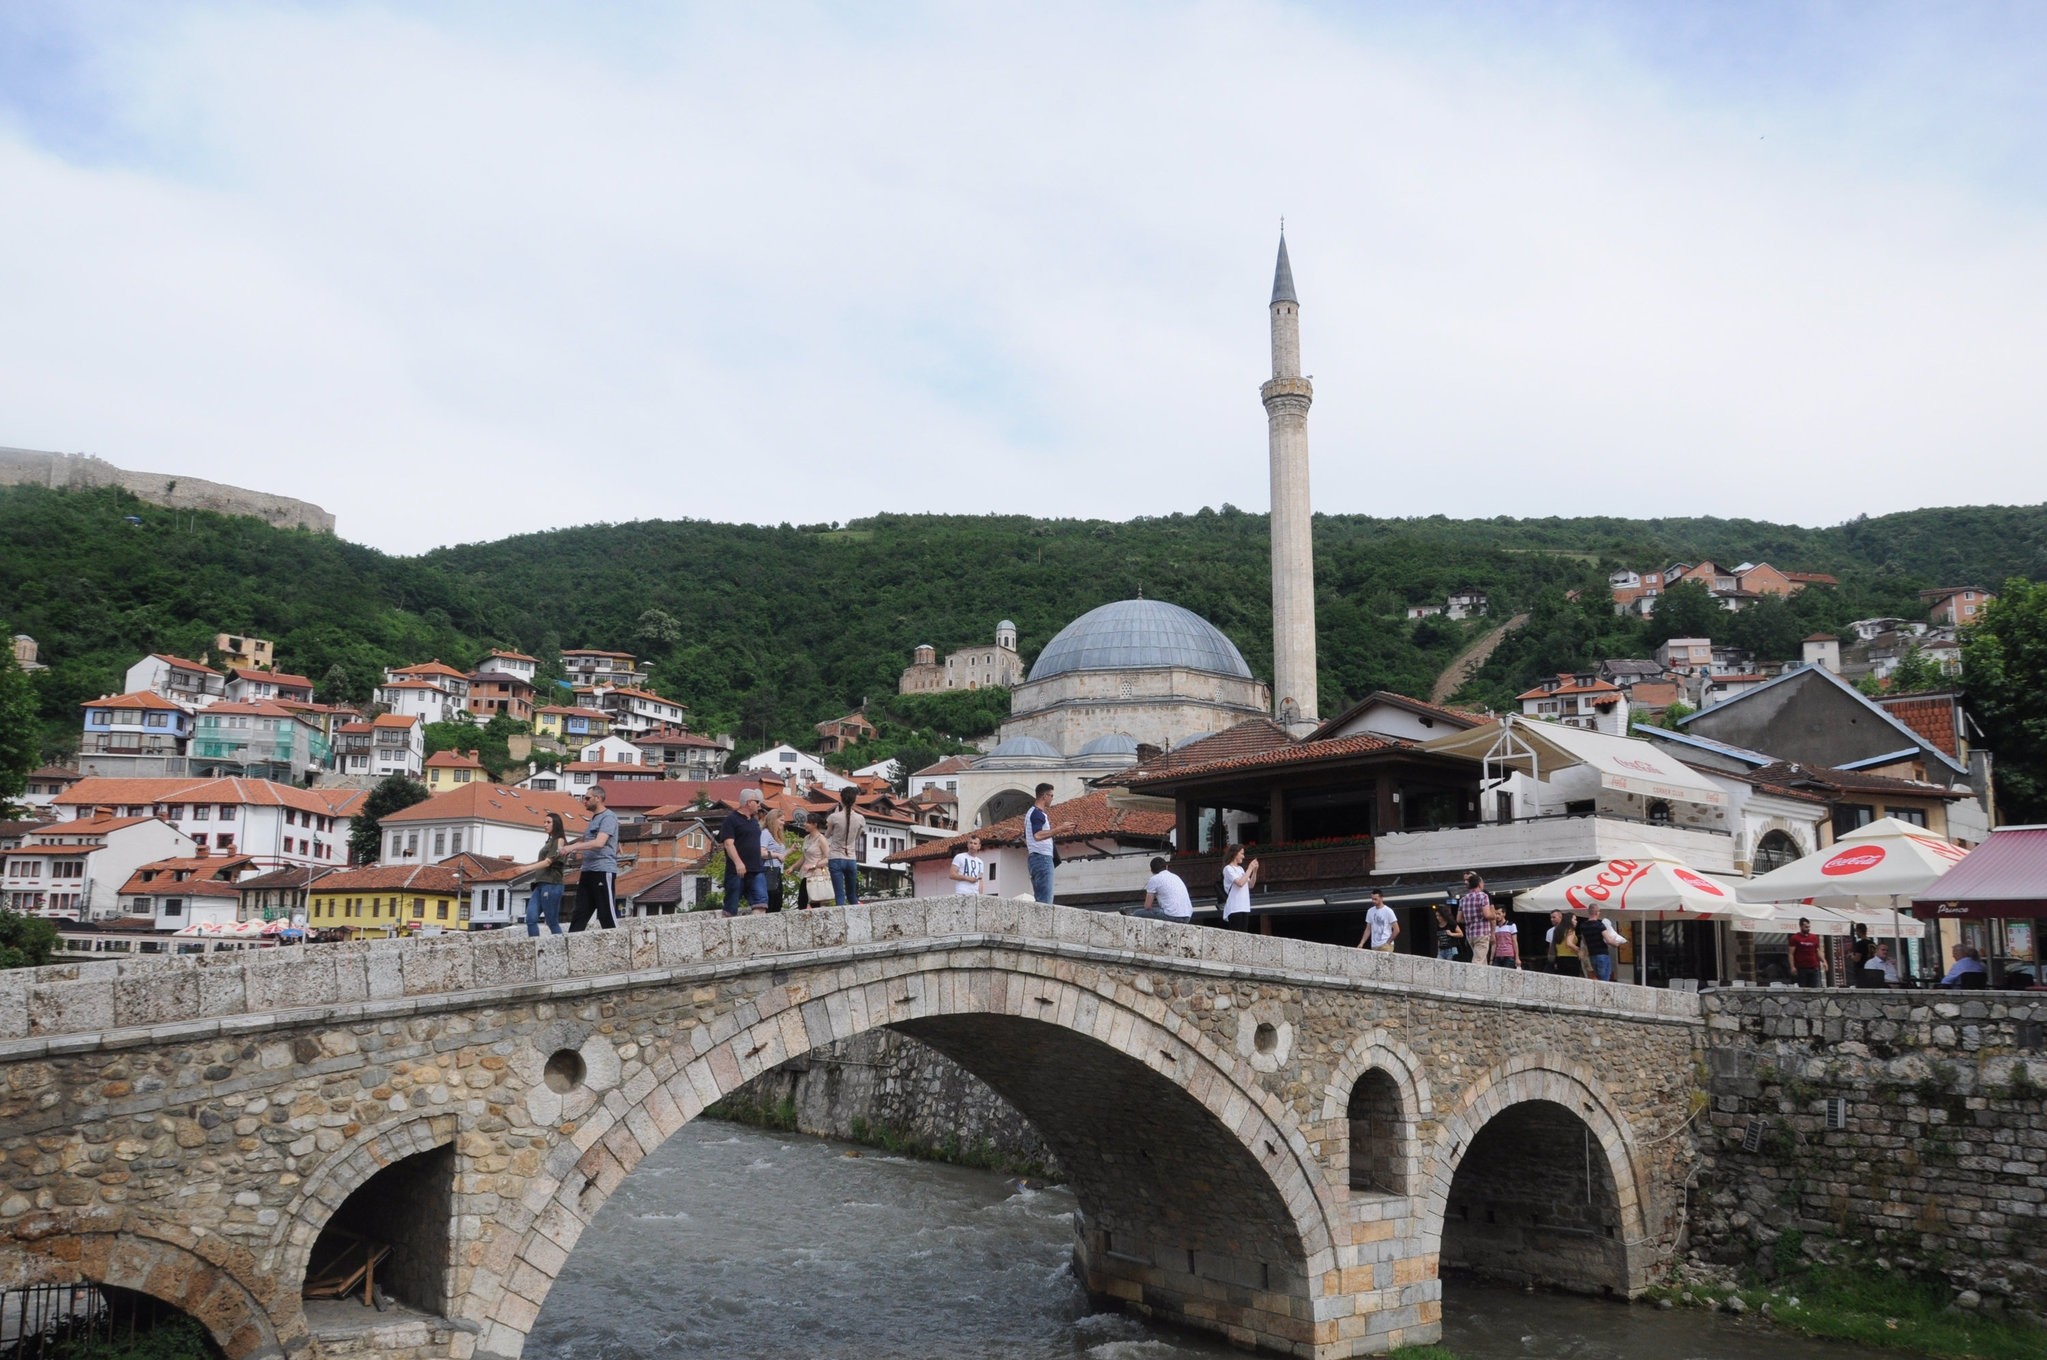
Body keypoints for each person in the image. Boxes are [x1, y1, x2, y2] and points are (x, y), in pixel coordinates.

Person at [561, 786, 620, 931]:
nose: (584, 801)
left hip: (602, 870)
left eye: (587, 798)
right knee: (579, 914)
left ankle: (619, 946)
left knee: (606, 914)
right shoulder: (595, 819)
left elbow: (599, 842)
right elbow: (590, 843)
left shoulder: (608, 817)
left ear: (598, 798)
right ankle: (572, 945)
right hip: (587, 871)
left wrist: (573, 847)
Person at [718, 789, 768, 917]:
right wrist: (738, 863)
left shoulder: (753, 821)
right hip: (737, 871)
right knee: (731, 907)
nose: (759, 805)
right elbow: (729, 844)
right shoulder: (731, 820)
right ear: (748, 802)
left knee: (761, 903)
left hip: (756, 869)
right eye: (757, 802)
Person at [1023, 783, 1073, 906]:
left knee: (1041, 899)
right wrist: (1060, 829)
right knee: (1045, 901)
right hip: (1042, 858)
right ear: (1045, 796)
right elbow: (1037, 835)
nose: (1052, 798)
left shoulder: (1031, 813)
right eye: (1051, 795)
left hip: (1036, 858)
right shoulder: (1037, 814)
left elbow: (1027, 837)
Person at [521, 813, 567, 936]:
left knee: (551, 921)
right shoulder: (550, 841)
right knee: (530, 918)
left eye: (548, 822)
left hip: (552, 883)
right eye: (544, 822)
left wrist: (526, 869)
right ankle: (535, 948)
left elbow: (548, 862)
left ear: (556, 824)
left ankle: (560, 948)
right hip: (540, 884)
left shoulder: (559, 840)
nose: (544, 825)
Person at [825, 787, 866, 906]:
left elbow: (827, 835)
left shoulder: (834, 817)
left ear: (841, 799)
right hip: (851, 858)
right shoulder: (860, 818)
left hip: (835, 857)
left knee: (839, 895)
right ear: (855, 801)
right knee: (852, 895)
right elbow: (857, 837)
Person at [1129, 856, 1194, 922]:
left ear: (1151, 870)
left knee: (1137, 913)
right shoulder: (1175, 876)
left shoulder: (1154, 879)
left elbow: (1147, 906)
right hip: (1187, 916)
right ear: (1166, 867)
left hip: (1172, 916)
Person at [755, 807, 793, 912]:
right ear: (773, 820)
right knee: (772, 901)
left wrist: (790, 851)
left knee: (777, 902)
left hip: (777, 871)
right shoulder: (766, 833)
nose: (783, 823)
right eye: (781, 820)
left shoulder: (776, 835)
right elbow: (762, 852)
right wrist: (776, 855)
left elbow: (781, 857)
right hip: (769, 871)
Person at [796, 814, 832, 908]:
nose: (805, 824)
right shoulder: (806, 838)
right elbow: (804, 856)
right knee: (802, 901)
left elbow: (828, 858)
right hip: (806, 873)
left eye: (808, 822)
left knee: (815, 901)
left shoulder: (821, 839)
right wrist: (792, 867)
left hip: (816, 874)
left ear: (815, 824)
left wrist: (813, 866)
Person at [1219, 844, 1258, 930]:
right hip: (1235, 907)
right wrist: (1249, 869)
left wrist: (1254, 871)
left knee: (1244, 933)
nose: (1243, 856)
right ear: (1235, 854)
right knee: (1236, 931)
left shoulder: (1240, 869)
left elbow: (1250, 885)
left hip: (1244, 905)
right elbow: (1240, 883)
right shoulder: (1228, 869)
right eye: (1241, 854)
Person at [1575, 902, 1617, 982]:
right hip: (1602, 954)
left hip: (1592, 955)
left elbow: (1584, 941)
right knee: (1604, 980)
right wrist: (1616, 944)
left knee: (1597, 978)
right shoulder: (1599, 925)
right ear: (1597, 912)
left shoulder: (1583, 926)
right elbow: (1608, 940)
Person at [1458, 872, 1493, 966]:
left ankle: (1484, 980)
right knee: (1478, 961)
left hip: (1470, 934)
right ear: (1479, 884)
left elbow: (1459, 919)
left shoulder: (1463, 899)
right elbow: (1487, 915)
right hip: (1482, 932)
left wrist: (1471, 920)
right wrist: (1494, 915)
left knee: (1482, 959)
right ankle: (1471, 979)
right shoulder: (1483, 896)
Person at [1790, 918, 1825, 989]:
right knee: (1803, 988)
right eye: (1806, 927)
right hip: (1801, 967)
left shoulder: (1814, 937)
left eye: (1809, 927)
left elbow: (1817, 950)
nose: (1808, 929)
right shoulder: (1795, 938)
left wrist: (1824, 961)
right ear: (1801, 926)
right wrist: (1792, 966)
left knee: (1815, 988)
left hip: (1813, 967)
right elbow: (1791, 953)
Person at [1546, 909, 1581, 977]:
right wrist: (1579, 950)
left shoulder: (1557, 930)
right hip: (1571, 958)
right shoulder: (1570, 930)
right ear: (1569, 920)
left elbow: (1552, 946)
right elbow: (1569, 943)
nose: (1576, 921)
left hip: (1559, 958)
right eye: (1574, 919)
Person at [1487, 901, 1521, 969]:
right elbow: (1494, 944)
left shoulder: (1511, 925)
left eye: (1499, 914)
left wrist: (1517, 958)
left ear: (1504, 914)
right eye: (1495, 914)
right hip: (1498, 956)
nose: (1497, 916)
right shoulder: (1494, 927)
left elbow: (1514, 942)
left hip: (1509, 956)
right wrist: (1491, 960)